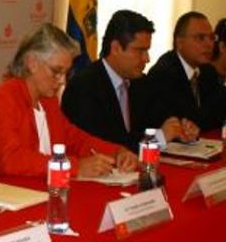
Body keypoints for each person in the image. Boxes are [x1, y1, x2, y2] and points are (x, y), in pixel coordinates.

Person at [0, 23, 138, 181]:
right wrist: (75, 167)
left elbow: (75, 139)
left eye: (66, 73)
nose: (61, 81)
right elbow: (11, 161)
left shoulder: (48, 101)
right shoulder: (2, 98)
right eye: (56, 71)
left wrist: (116, 152)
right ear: (32, 62)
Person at [61, 10, 199, 150]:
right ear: (115, 48)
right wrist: (159, 137)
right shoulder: (83, 86)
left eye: (147, 51)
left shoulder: (141, 83)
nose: (147, 59)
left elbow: (160, 120)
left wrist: (180, 129)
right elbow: (102, 144)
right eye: (140, 50)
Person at [144, 11, 226, 131]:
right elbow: (193, 121)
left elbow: (223, 117)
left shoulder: (207, 71)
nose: (209, 44)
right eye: (200, 38)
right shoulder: (164, 73)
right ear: (179, 43)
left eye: (212, 37)